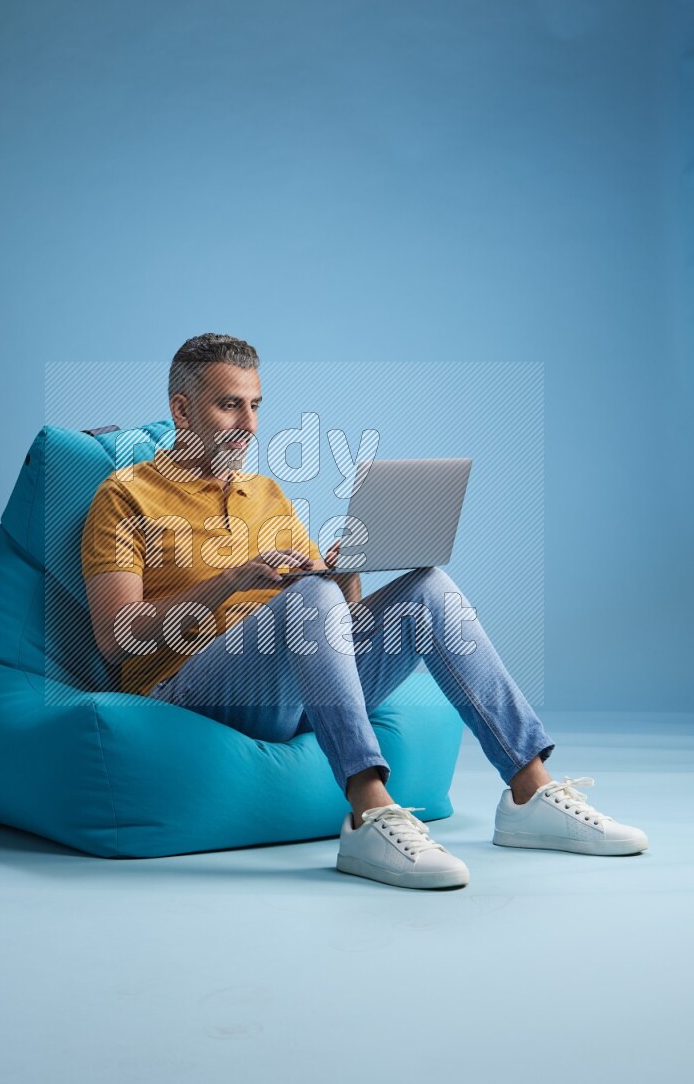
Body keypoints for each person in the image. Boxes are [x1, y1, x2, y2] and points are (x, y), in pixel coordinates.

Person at [81, 333, 649, 890]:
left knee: (427, 588)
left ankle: (530, 789)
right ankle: (368, 813)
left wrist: (344, 571)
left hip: (293, 689)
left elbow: (335, 623)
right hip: (190, 690)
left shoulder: (267, 493)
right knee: (307, 598)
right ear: (182, 409)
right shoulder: (125, 494)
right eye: (229, 406)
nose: (249, 425)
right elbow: (115, 637)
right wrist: (230, 580)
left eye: (255, 406)